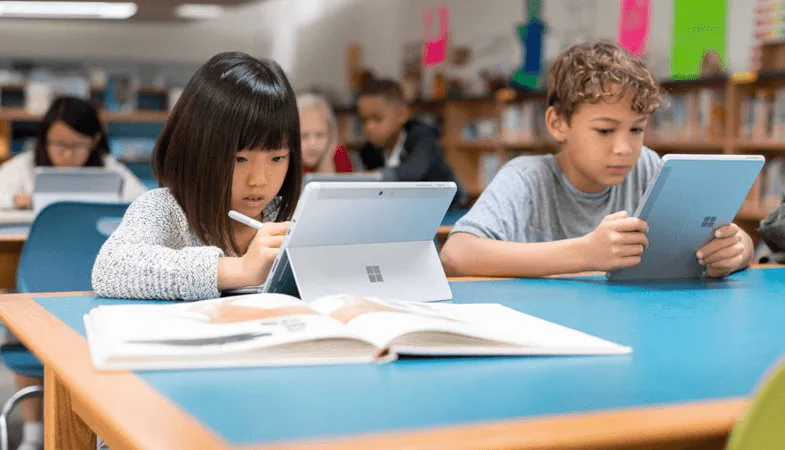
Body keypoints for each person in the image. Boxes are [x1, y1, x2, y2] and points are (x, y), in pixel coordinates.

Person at [440, 40, 754, 279]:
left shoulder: (647, 167)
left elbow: (733, 239)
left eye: (636, 129)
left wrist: (736, 249)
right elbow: (456, 255)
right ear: (558, 124)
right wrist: (587, 253)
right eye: (604, 130)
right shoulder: (526, 178)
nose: (624, 148)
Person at [91, 51, 302, 302]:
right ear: (197, 149)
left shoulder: (293, 217)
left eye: (277, 159)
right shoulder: (166, 209)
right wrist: (242, 269)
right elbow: (111, 269)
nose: (258, 180)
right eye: (239, 159)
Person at [0, 96, 147, 210]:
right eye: (59, 144)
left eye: (77, 145)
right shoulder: (24, 165)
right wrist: (13, 200)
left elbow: (142, 200)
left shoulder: (108, 166)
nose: (68, 154)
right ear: (45, 139)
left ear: (94, 140)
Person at [355, 79, 467, 208]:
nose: (369, 127)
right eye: (364, 121)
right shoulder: (369, 151)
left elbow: (413, 171)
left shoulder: (422, 138)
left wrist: (373, 177)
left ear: (402, 114)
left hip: (450, 209)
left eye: (377, 119)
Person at [296, 91, 353, 173]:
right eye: (304, 136)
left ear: (331, 135)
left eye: (320, 135)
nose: (313, 144)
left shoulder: (338, 154)